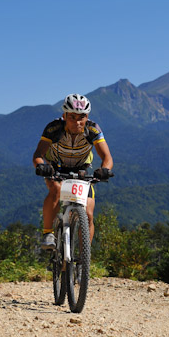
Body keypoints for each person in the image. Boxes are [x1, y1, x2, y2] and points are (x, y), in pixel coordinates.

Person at [32, 93, 113, 249]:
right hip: (55, 167)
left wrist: (105, 170)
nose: (77, 121)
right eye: (72, 117)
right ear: (65, 115)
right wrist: (40, 166)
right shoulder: (54, 128)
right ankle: (48, 233)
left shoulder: (93, 129)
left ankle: (84, 258)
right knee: (55, 189)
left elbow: (107, 157)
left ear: (87, 116)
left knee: (88, 213)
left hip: (81, 169)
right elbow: (38, 154)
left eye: (81, 117)